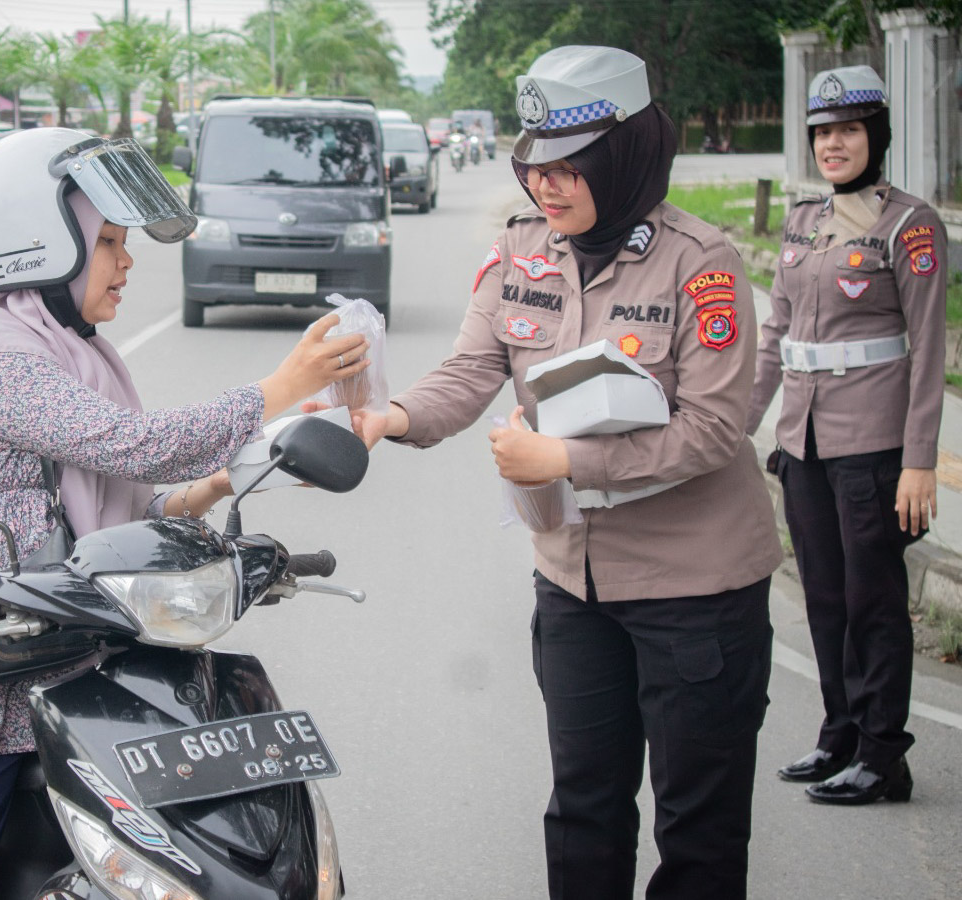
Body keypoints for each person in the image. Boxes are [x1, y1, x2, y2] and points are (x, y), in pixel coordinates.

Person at [0, 126, 370, 900]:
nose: (126, 260)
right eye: (108, 241)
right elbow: (128, 445)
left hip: (73, 648)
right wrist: (279, 385)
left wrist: (207, 493)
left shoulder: (77, 348)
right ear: (40, 243)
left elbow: (114, 493)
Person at [353, 47, 780, 898]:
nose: (545, 186)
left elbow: (715, 428)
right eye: (533, 164)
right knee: (583, 805)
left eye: (567, 165)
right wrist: (387, 418)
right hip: (575, 585)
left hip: (698, 593)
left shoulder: (704, 264)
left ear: (622, 153)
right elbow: (473, 368)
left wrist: (566, 460)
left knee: (697, 826)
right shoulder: (520, 251)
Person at [748, 65, 944, 806]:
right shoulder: (801, 221)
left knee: (873, 602)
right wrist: (738, 428)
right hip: (803, 445)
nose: (833, 144)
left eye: (849, 130)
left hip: (873, 447)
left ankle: (883, 755)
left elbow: (926, 350)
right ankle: (840, 736)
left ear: (876, 137)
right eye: (823, 132)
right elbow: (776, 338)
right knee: (824, 598)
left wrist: (919, 464)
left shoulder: (909, 224)